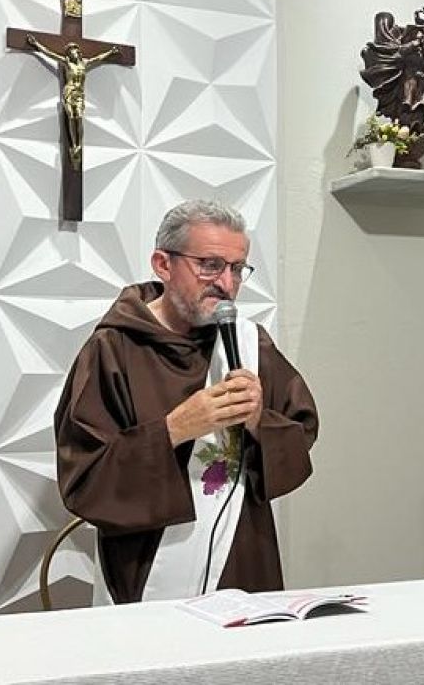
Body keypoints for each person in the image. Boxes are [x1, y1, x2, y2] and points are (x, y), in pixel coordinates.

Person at [54, 199, 318, 604]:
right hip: (146, 567)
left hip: (242, 556)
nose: (226, 284)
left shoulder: (249, 343)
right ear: (163, 264)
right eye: (210, 265)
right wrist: (174, 430)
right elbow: (85, 480)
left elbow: (301, 435)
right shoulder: (113, 349)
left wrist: (256, 420)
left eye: (237, 269)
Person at [26, 34, 121, 169]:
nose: (73, 53)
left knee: (79, 118)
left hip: (79, 93)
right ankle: (73, 144)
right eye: (70, 52)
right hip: (69, 92)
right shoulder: (67, 63)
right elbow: (50, 54)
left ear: (78, 53)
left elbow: (98, 58)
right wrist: (36, 44)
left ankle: (78, 145)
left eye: (74, 51)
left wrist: (111, 52)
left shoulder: (84, 63)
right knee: (72, 116)